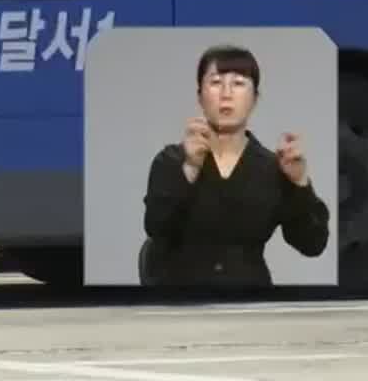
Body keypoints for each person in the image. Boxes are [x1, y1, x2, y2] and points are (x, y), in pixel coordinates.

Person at [139, 44, 331, 288]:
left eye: (239, 83)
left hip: (250, 301)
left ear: (254, 99)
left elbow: (312, 244)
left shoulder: (274, 167)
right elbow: (157, 229)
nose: (226, 93)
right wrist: (189, 169)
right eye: (216, 82)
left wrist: (300, 184)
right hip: (180, 300)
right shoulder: (171, 160)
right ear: (200, 96)